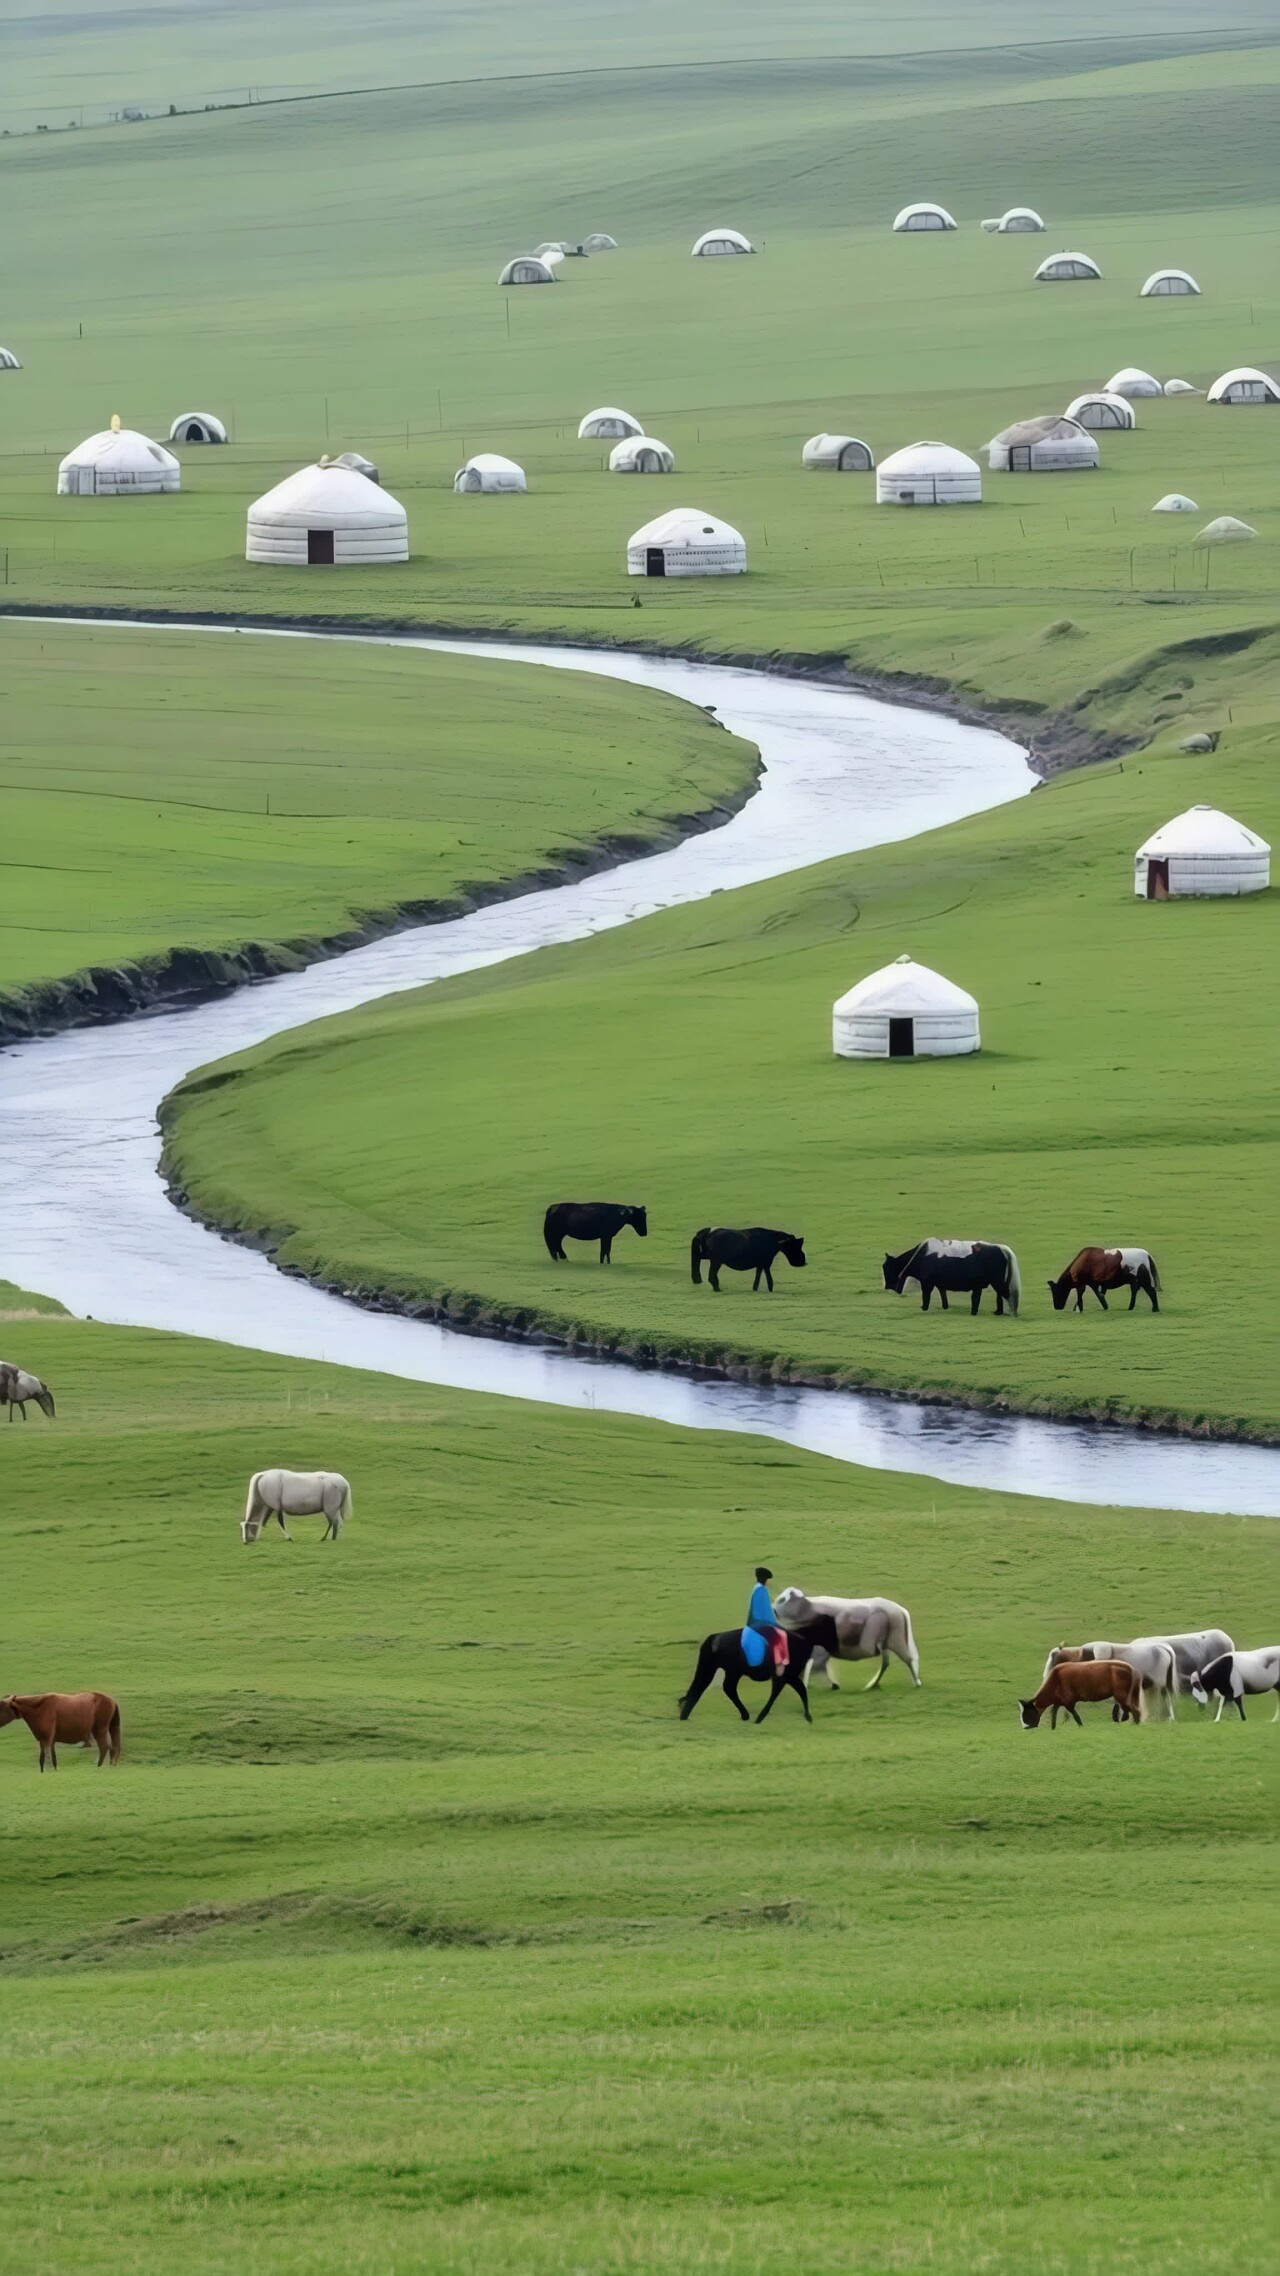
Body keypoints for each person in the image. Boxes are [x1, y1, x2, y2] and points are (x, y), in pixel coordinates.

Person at [746, 1565, 789, 1675]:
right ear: (766, 1579)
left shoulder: (757, 1588)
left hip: (757, 1622)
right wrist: (775, 1624)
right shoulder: (761, 1590)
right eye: (768, 1580)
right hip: (760, 1623)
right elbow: (765, 1612)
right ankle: (779, 1666)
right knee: (780, 1637)